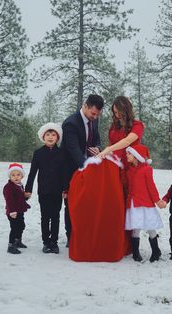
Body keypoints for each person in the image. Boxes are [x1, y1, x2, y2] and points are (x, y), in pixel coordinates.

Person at [61, 94, 104, 246]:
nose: (95, 117)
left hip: (87, 168)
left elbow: (97, 139)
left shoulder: (94, 120)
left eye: (98, 114)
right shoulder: (70, 124)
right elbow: (74, 151)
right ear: (85, 106)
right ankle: (71, 236)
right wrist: (87, 167)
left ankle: (84, 233)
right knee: (71, 204)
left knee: (87, 203)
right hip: (71, 170)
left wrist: (98, 148)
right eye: (93, 113)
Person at [25, 122, 64, 254]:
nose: (50, 137)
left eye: (53, 134)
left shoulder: (62, 153)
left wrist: (66, 189)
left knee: (56, 217)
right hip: (44, 191)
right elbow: (32, 172)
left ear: (57, 137)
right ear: (43, 136)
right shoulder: (38, 153)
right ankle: (46, 242)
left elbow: (65, 173)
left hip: (58, 191)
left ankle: (54, 242)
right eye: (48, 134)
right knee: (45, 217)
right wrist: (28, 189)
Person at [125, 144, 164, 262]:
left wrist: (157, 200)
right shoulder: (129, 171)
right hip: (133, 204)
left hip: (145, 204)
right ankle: (136, 253)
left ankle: (156, 251)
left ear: (136, 156)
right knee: (135, 227)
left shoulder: (146, 170)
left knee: (150, 227)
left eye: (129, 153)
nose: (126, 155)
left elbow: (151, 187)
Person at [97, 96, 144, 169]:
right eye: (115, 112)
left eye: (120, 112)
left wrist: (108, 150)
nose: (117, 115)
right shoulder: (114, 126)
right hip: (114, 165)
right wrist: (102, 154)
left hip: (130, 166)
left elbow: (127, 141)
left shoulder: (137, 125)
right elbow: (110, 144)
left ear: (126, 110)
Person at [3, 163, 30, 254]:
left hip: (20, 211)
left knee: (21, 226)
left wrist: (26, 197)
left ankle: (18, 241)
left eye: (18, 175)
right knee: (14, 228)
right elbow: (9, 200)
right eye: (13, 175)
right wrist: (12, 211)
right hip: (13, 212)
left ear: (22, 176)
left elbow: (20, 198)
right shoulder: (8, 187)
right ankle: (11, 245)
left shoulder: (20, 185)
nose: (16, 177)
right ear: (10, 176)